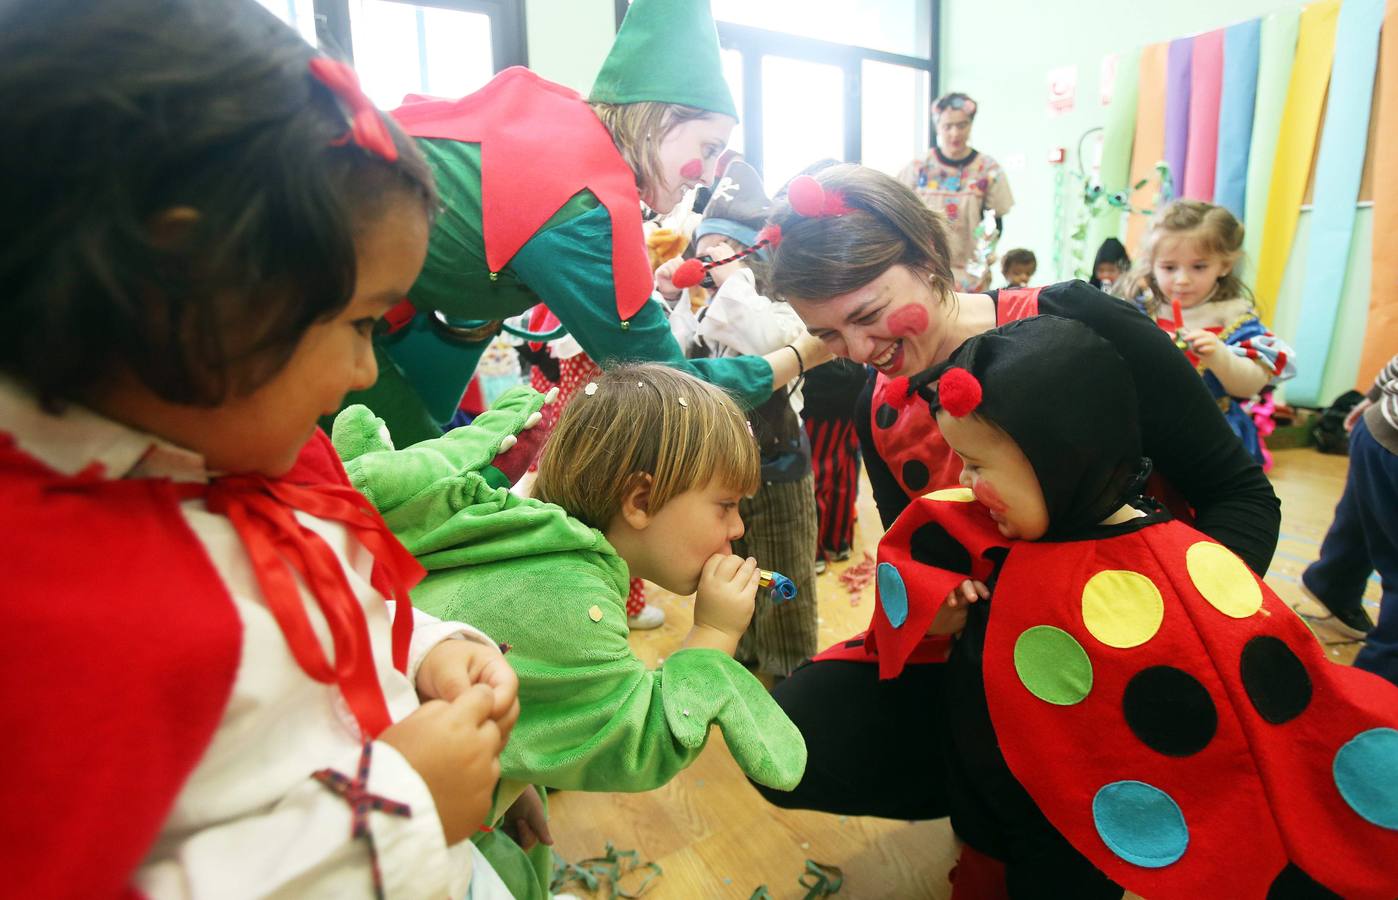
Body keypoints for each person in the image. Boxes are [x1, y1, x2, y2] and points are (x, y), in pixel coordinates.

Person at [0, 2, 521, 896]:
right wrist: (396, 812)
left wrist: (427, 648)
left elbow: (329, 623)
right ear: (188, 280)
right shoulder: (43, 604)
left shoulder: (258, 448)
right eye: (360, 323)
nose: (367, 371)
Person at [747, 164, 1281, 843]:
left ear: (928, 258)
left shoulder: (1074, 325)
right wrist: (930, 604)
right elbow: (921, 549)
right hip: (995, 653)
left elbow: (1240, 495)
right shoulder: (874, 408)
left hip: (1137, 634)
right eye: (826, 335)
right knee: (789, 738)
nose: (858, 352)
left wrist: (1176, 640)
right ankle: (1005, 798)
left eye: (868, 315)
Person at [870, 315, 1398, 899]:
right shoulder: (976, 515)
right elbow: (911, 554)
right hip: (983, 788)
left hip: (1073, 824)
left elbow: (1259, 713)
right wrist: (935, 602)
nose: (964, 482)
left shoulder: (1178, 564)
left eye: (978, 464)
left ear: (1059, 457)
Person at [332, 366, 806, 899]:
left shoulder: (527, 530)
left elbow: (530, 684)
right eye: (725, 506)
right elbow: (640, 741)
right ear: (641, 501)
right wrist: (716, 631)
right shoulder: (567, 600)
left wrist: (511, 777)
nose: (738, 528)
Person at [343, 0, 829, 446]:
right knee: (421, 490)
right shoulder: (583, 207)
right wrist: (803, 354)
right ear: (659, 119)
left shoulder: (562, 127)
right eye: (707, 149)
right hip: (309, 300)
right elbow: (668, 384)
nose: (704, 177)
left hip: (344, 296)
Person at [660, 159, 821, 678]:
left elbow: (765, 346)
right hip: (716, 471)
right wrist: (670, 294)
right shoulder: (709, 305)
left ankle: (791, 670)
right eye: (705, 251)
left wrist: (736, 278)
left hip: (776, 469)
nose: (711, 262)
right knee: (732, 571)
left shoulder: (780, 308)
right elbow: (672, 358)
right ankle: (747, 654)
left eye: (727, 250)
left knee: (783, 575)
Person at [1126, 200, 1296, 466]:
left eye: (1199, 267)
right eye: (1169, 268)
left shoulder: (1236, 320)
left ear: (1225, 265)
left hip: (1212, 441)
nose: (1182, 279)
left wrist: (1219, 354)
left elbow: (1251, 384)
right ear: (1151, 264)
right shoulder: (1135, 314)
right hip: (1143, 440)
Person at [1303, 354, 1398, 680]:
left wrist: (1372, 396)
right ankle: (1382, 681)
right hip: (1389, 437)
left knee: (1364, 516)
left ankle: (1333, 582)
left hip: (1376, 426)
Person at [898, 92, 1014, 292]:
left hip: (970, 272)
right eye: (947, 126)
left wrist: (984, 256)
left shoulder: (987, 169)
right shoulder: (919, 167)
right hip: (924, 268)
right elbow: (899, 212)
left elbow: (997, 221)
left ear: (971, 126)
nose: (955, 133)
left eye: (962, 125)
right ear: (938, 128)